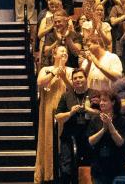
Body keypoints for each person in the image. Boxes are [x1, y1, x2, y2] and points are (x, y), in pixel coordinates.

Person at [36, 45, 71, 184]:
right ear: (54, 54)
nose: (64, 53)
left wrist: (64, 76)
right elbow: (40, 83)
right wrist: (55, 71)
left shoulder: (71, 70)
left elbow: (73, 88)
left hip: (65, 109)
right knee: (49, 139)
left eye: (66, 52)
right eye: (61, 51)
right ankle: (48, 174)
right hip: (49, 108)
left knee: (64, 141)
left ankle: (64, 174)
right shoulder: (46, 69)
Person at [86, 93, 125, 184]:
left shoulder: (122, 120)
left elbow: (120, 142)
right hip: (98, 168)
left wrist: (110, 125)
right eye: (100, 100)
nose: (101, 103)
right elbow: (90, 141)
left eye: (104, 100)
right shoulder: (95, 120)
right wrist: (103, 129)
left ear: (113, 102)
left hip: (117, 167)